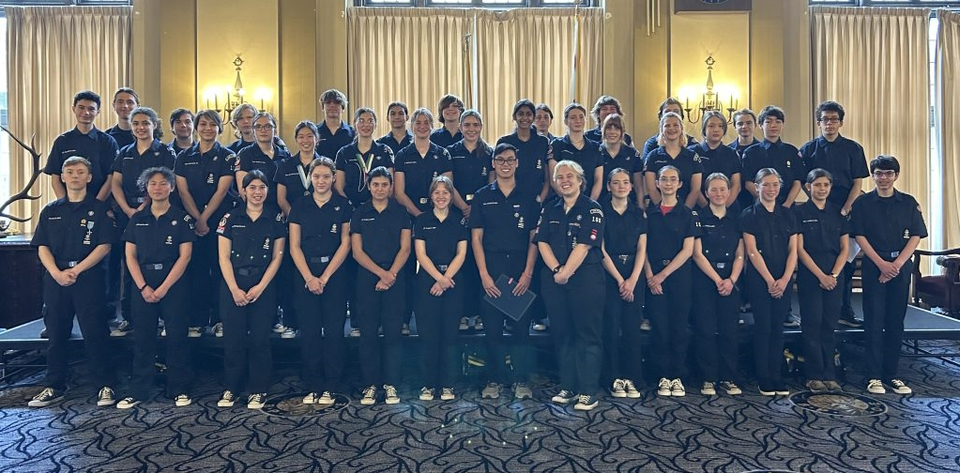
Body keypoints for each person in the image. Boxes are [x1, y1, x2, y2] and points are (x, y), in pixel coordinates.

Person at [28, 157, 118, 408]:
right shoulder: (51, 210)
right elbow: (42, 246)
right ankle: (54, 385)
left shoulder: (100, 210)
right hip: (56, 279)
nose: (75, 176)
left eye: (80, 172)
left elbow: (104, 246)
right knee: (56, 333)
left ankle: (104, 385)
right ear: (63, 177)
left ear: (89, 178)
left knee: (95, 332)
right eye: (69, 172)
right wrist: (57, 273)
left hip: (88, 277)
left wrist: (76, 270)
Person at [116, 167, 195, 409]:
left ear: (171, 187)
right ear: (146, 188)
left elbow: (185, 256)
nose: (158, 188)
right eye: (153, 184)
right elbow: (129, 256)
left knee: (177, 338)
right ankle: (139, 390)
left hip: (174, 284)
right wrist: (143, 286)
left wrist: (163, 288)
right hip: (143, 285)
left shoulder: (181, 218)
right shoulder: (137, 218)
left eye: (163, 183)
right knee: (143, 339)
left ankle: (179, 388)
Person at [471, 143, 541, 400]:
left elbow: (535, 236)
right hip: (492, 267)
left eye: (510, 160)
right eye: (500, 160)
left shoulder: (528, 195)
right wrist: (484, 275)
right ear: (493, 164)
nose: (505, 164)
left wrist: (528, 273)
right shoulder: (482, 196)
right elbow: (476, 239)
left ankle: (521, 379)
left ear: (517, 163)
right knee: (492, 330)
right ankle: (494, 379)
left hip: (520, 268)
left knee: (521, 330)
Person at [852, 155, 927, 395]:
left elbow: (916, 235)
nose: (883, 178)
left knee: (895, 322)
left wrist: (896, 265)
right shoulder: (863, 204)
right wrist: (882, 264)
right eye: (879, 173)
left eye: (888, 173)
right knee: (873, 321)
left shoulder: (908, 202)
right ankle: (873, 375)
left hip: (900, 265)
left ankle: (891, 375)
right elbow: (860, 236)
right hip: (875, 264)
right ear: (872, 176)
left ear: (896, 175)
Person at [536, 160, 606, 411]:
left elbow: (586, 245)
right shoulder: (550, 209)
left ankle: (588, 391)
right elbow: (541, 241)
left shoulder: (592, 208)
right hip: (555, 280)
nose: (564, 180)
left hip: (586, 279)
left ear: (580, 180)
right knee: (563, 334)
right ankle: (569, 386)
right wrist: (557, 270)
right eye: (559, 177)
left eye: (569, 176)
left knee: (587, 334)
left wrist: (566, 272)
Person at [216, 170, 287, 409]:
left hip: (263, 285)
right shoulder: (230, 218)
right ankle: (232, 388)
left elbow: (277, 257)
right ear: (243, 191)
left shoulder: (275, 219)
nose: (258, 192)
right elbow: (223, 257)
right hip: (233, 284)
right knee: (233, 340)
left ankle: (258, 389)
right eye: (253, 188)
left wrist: (260, 287)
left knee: (259, 340)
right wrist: (234, 289)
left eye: (262, 187)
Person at [288, 157, 353, 405]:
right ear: (310, 178)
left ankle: (332, 384)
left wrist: (324, 277)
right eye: (317, 176)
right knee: (310, 332)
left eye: (326, 176)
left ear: (334, 178)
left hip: (334, 276)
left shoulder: (343, 205)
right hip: (305, 275)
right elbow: (294, 246)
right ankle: (313, 384)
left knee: (335, 331)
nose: (322, 181)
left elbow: (346, 243)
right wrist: (309, 278)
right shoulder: (299, 205)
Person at [799, 101, 870, 329]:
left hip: (845, 210)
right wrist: (815, 203)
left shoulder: (853, 148)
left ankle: (845, 308)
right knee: (821, 257)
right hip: (818, 212)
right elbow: (803, 182)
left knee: (845, 261)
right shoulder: (809, 149)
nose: (829, 124)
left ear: (841, 122)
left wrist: (846, 207)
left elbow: (858, 182)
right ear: (818, 122)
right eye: (825, 119)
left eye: (834, 119)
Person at [109, 106, 178, 337]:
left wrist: (143, 207)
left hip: (155, 213)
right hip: (127, 214)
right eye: (136, 123)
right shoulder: (124, 152)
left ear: (154, 125)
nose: (140, 127)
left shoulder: (166, 152)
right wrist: (128, 209)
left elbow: (165, 183)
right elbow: (115, 183)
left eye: (145, 123)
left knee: (159, 261)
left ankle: (165, 318)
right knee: (130, 265)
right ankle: (129, 317)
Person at [350, 166, 412, 405]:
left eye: (384, 185)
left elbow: (405, 248)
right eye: (375, 184)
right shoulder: (360, 212)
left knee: (393, 334)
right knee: (368, 335)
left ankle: (391, 383)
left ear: (390, 187)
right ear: (369, 186)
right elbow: (356, 251)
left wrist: (391, 274)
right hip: (367, 278)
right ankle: (371, 385)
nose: (379, 189)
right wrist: (380, 274)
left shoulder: (400, 211)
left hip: (395, 278)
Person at [175, 109, 237, 338]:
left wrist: (205, 218)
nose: (207, 128)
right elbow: (182, 191)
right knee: (196, 273)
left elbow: (222, 191)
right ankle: (197, 320)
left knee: (221, 271)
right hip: (192, 224)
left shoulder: (228, 156)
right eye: (202, 124)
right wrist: (197, 219)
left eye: (212, 124)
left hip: (220, 223)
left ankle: (220, 319)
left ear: (220, 128)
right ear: (196, 127)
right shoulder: (183, 156)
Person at [394, 108, 454, 335]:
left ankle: (444, 315)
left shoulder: (443, 153)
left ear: (432, 126)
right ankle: (405, 319)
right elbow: (399, 192)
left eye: (426, 122)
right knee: (409, 270)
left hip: (439, 218)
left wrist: (431, 215)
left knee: (440, 262)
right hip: (411, 218)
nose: (421, 126)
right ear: (412, 126)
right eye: (417, 122)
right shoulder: (402, 155)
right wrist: (419, 216)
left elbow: (447, 189)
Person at [741, 168, 799, 396]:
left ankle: (777, 374)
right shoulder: (748, 214)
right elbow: (752, 251)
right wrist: (769, 280)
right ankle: (763, 376)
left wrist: (785, 279)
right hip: (759, 278)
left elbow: (793, 250)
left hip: (783, 279)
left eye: (775, 185)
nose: (771, 189)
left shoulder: (788, 215)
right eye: (766, 184)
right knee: (764, 327)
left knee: (778, 328)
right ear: (756, 187)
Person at [414, 176, 468, 401]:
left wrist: (445, 279)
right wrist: (438, 278)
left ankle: (448, 385)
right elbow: (420, 254)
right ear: (431, 196)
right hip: (427, 282)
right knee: (429, 335)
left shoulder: (459, 221)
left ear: (451, 196)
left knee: (450, 336)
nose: (441, 196)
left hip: (453, 282)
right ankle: (428, 385)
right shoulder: (421, 220)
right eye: (437, 192)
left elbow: (462, 253)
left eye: (446, 192)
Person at [795, 168, 849, 393]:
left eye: (825, 185)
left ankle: (829, 374)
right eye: (817, 185)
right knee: (812, 324)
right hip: (811, 275)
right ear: (808, 187)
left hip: (835, 276)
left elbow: (845, 248)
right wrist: (820, 276)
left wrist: (833, 275)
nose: (822, 189)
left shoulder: (838, 213)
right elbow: (799, 248)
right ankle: (813, 374)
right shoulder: (799, 212)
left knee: (829, 325)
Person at [691, 173, 745, 396]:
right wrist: (717, 279)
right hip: (705, 280)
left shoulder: (737, 217)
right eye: (714, 189)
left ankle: (728, 377)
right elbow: (697, 254)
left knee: (729, 331)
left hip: (731, 282)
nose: (719, 193)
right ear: (706, 193)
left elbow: (741, 253)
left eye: (723, 189)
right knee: (705, 330)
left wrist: (731, 279)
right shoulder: (698, 217)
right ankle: (708, 378)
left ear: (729, 191)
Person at [645, 166, 697, 397]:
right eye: (663, 179)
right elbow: (642, 248)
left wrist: (662, 276)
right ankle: (662, 376)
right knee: (660, 327)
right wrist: (650, 277)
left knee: (678, 327)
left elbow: (688, 251)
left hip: (679, 276)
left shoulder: (687, 214)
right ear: (656, 183)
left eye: (672, 179)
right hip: (652, 276)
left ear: (679, 184)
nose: (668, 183)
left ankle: (677, 375)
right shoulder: (649, 213)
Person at [599, 168, 646, 399]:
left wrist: (633, 280)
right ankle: (614, 377)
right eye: (616, 183)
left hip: (634, 276)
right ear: (608, 186)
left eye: (625, 182)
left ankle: (632, 377)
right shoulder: (601, 212)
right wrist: (620, 280)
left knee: (631, 330)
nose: (621, 186)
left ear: (631, 186)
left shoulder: (639, 214)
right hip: (610, 275)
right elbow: (601, 249)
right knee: (610, 328)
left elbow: (642, 248)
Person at [274, 120, 323, 339]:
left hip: (319, 227)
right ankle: (291, 323)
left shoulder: (324, 164)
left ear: (316, 139)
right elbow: (281, 198)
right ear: (296, 140)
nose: (305, 140)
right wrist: (296, 218)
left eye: (309, 136)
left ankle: (319, 323)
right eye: (301, 136)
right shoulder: (286, 165)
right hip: (293, 226)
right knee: (291, 276)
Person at [446, 109, 491, 331]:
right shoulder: (451, 152)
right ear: (461, 127)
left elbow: (492, 184)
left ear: (481, 127)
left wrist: (476, 208)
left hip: (483, 215)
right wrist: (464, 207)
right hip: (458, 214)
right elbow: (448, 184)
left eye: (476, 125)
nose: (471, 129)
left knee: (480, 263)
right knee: (461, 265)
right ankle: (463, 314)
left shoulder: (489, 152)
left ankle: (482, 314)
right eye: (467, 125)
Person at [43, 90, 119, 203]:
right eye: (81, 108)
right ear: (73, 109)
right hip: (69, 206)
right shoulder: (62, 141)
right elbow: (55, 178)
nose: (86, 112)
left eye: (91, 109)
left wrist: (97, 204)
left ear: (98, 112)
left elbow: (111, 178)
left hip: (100, 206)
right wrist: (64, 204)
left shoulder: (107, 141)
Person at [740, 106, 802, 209]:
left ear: (783, 124)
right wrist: (765, 201)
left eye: (778, 122)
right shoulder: (751, 152)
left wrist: (787, 204)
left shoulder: (791, 151)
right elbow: (748, 182)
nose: (773, 125)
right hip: (759, 207)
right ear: (760, 125)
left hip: (787, 207)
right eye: (768, 122)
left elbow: (797, 181)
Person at [337, 108, 396, 209]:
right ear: (354, 124)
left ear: (376, 125)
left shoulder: (385, 151)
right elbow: (339, 187)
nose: (366, 125)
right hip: (351, 209)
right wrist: (349, 207)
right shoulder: (344, 153)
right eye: (361, 121)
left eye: (370, 121)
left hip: (379, 209)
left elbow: (391, 185)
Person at [496, 99, 552, 203]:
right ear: (514, 117)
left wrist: (540, 200)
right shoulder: (504, 141)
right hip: (510, 199)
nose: (525, 118)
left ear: (533, 117)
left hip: (536, 200)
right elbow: (497, 173)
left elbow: (547, 179)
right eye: (520, 114)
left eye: (529, 114)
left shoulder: (543, 142)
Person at [643, 112, 702, 209]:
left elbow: (695, 190)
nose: (671, 128)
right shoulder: (653, 156)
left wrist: (684, 212)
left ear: (681, 129)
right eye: (667, 125)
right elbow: (651, 189)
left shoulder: (692, 157)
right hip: (658, 213)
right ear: (661, 130)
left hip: (686, 211)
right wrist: (664, 211)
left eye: (675, 125)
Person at [235, 112, 290, 210]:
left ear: (275, 130)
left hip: (279, 209)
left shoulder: (284, 155)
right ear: (253, 130)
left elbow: (289, 187)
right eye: (258, 126)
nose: (263, 130)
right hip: (254, 210)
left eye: (268, 126)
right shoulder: (245, 154)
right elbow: (242, 189)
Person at [549, 103, 603, 201]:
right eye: (573, 117)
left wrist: (589, 203)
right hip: (563, 203)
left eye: (581, 117)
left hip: (589, 202)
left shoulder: (595, 147)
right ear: (566, 121)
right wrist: (569, 201)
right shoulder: (557, 145)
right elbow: (553, 180)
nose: (578, 121)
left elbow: (598, 180)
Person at [693, 111, 742, 210]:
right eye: (711, 126)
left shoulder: (731, 153)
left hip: (728, 209)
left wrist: (723, 208)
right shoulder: (693, 152)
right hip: (700, 207)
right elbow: (693, 187)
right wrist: (708, 209)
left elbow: (736, 185)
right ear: (704, 129)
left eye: (720, 126)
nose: (716, 129)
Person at [598, 114, 643, 205]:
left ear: (623, 132)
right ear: (603, 130)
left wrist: (641, 207)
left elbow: (638, 186)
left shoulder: (632, 154)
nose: (612, 132)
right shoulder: (596, 152)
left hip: (628, 206)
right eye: (608, 128)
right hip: (602, 205)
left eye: (617, 128)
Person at [315, 88, 355, 159]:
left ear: (343, 108)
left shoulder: (353, 133)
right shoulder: (314, 132)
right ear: (323, 107)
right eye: (328, 103)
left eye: (337, 102)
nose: (332, 105)